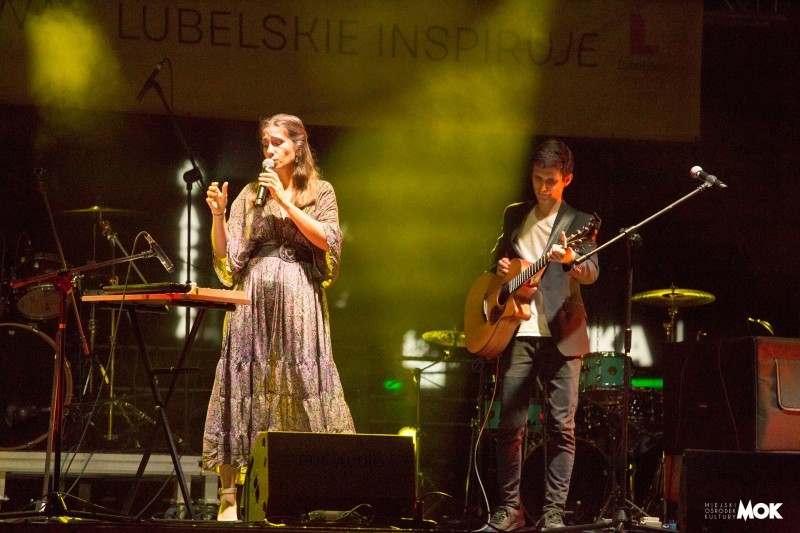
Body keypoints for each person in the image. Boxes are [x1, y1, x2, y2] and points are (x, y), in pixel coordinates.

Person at [203, 114, 355, 521]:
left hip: (300, 300)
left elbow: (329, 241)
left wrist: (285, 201)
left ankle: (317, 489)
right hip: (252, 300)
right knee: (242, 382)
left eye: (277, 143)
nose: (269, 151)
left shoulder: (320, 191)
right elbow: (228, 258)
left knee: (302, 383)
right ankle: (229, 496)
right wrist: (218, 216)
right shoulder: (250, 194)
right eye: (265, 144)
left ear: (297, 147)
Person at [481, 139, 599, 531]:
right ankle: (510, 510)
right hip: (517, 329)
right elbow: (498, 262)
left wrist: (571, 262)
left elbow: (592, 273)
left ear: (567, 179)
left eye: (551, 180)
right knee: (509, 426)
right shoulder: (515, 214)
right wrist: (501, 268)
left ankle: (552, 514)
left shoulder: (580, 222)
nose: (543, 188)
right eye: (536, 179)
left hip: (563, 333)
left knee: (561, 427)